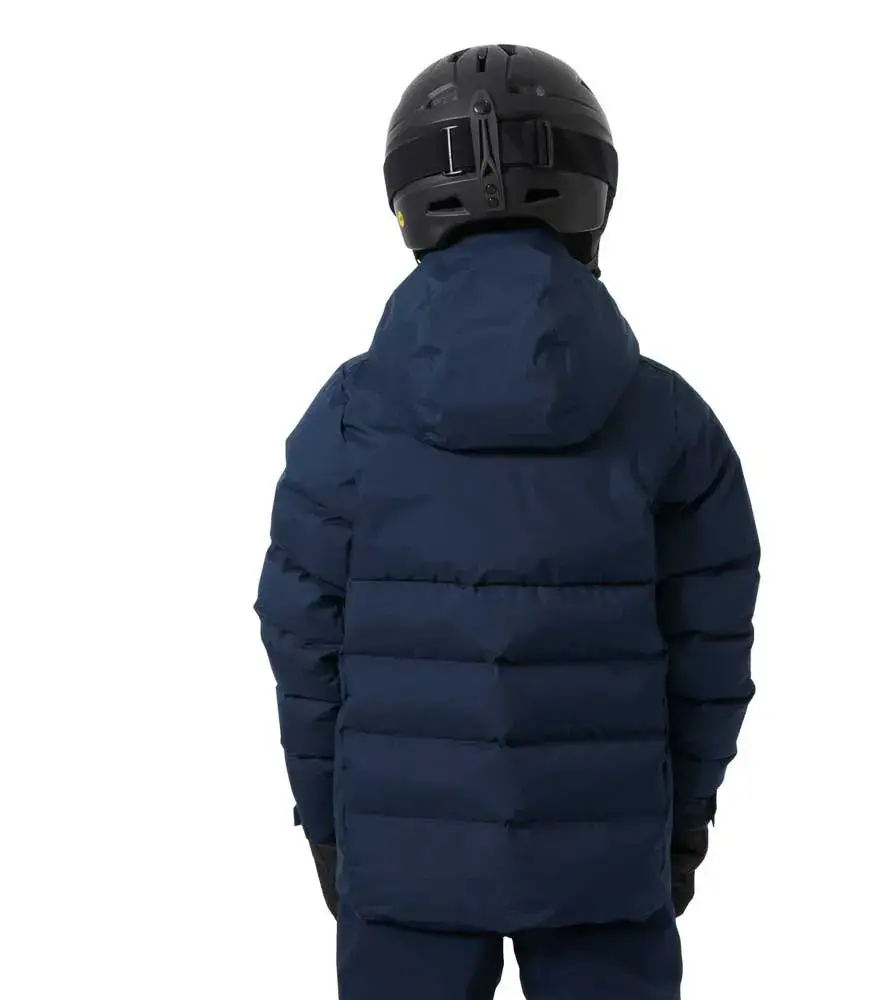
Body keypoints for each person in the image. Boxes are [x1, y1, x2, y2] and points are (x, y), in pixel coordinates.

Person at [255, 44, 759, 1000]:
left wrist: (329, 829)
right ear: (592, 193)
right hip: (608, 864)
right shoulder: (668, 421)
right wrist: (682, 824)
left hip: (403, 865)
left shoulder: (348, 419)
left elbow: (300, 643)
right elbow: (711, 650)